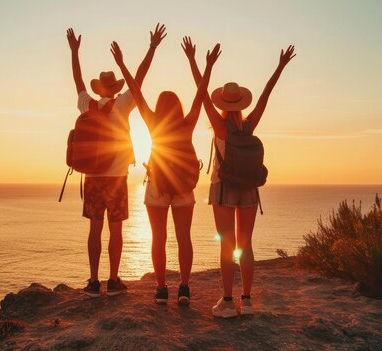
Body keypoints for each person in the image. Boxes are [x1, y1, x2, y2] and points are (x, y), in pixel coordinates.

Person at [182, 36, 296, 317]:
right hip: (249, 189)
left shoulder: (219, 127)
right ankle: (246, 301)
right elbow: (266, 96)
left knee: (227, 244)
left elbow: (201, 92)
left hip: (223, 188)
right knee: (245, 244)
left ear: (223, 104)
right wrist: (279, 67)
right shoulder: (249, 124)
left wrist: (196, 61)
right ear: (242, 104)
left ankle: (228, 302)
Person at [111, 39, 221, 304]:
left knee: (158, 239)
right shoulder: (187, 123)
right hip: (184, 186)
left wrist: (122, 64)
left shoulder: (152, 121)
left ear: (160, 107)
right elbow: (201, 94)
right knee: (184, 238)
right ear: (178, 107)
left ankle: (161, 289)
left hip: (158, 185)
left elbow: (136, 91)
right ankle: (184, 287)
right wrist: (203, 64)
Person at [66, 24, 167, 298]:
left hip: (93, 177)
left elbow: (77, 82)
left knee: (94, 229)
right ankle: (113, 281)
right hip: (116, 176)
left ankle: (93, 282)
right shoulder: (122, 104)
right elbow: (139, 79)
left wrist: (74, 51)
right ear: (115, 88)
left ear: (100, 89)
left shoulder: (88, 104)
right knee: (115, 230)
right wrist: (152, 48)